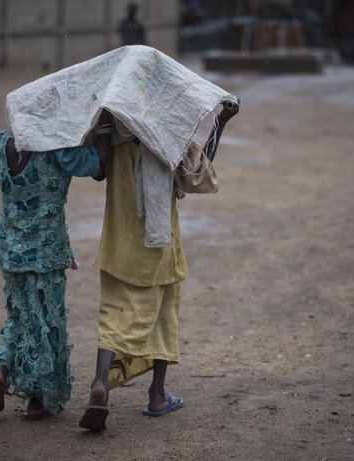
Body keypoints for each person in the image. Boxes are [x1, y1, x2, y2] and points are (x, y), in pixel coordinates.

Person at [79, 101, 240, 431]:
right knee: (163, 316)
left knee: (112, 316)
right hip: (159, 244)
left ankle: (101, 383)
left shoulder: (112, 127)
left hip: (118, 242)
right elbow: (196, 175)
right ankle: (157, 394)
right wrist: (220, 122)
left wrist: (106, 117)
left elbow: (95, 168)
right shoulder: (168, 131)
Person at [0, 110, 114, 420]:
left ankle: (1, 369)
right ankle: (39, 401)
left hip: (9, 249)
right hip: (45, 253)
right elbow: (98, 160)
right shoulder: (57, 150)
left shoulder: (1, 145)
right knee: (48, 323)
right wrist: (105, 123)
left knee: (20, 315)